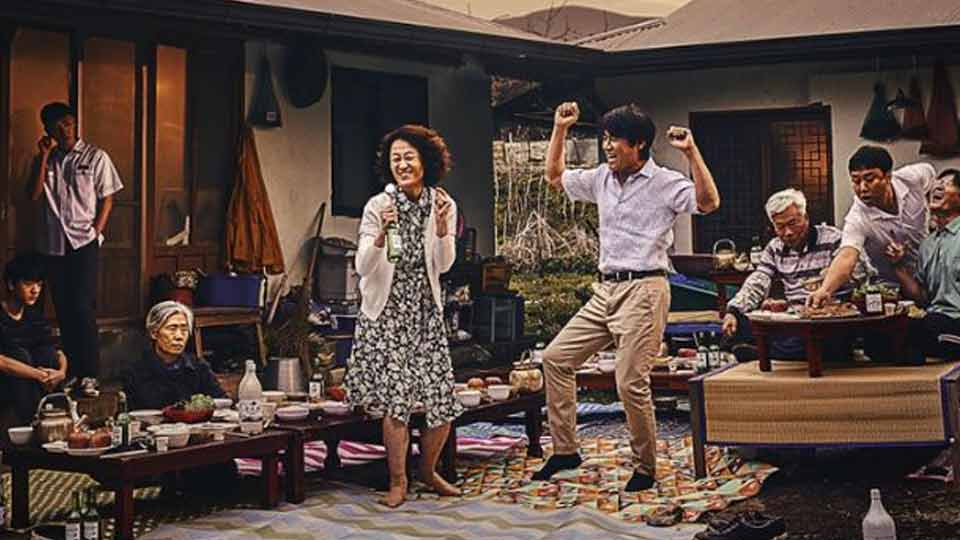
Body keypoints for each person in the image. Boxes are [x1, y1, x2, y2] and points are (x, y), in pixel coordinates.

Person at [534, 102, 720, 491]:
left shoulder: (664, 182)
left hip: (645, 289)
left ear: (638, 145)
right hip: (606, 289)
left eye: (615, 139)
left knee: (629, 381)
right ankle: (565, 450)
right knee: (555, 359)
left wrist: (691, 152)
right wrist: (560, 128)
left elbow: (708, 203)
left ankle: (645, 466)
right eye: (605, 138)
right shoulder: (601, 177)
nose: (608, 146)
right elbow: (554, 177)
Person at [344, 124, 463, 507]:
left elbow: (444, 265)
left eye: (409, 157)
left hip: (426, 311)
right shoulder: (378, 205)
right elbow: (363, 267)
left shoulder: (442, 203)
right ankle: (398, 482)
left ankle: (428, 471)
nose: (402, 165)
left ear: (426, 161)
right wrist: (380, 235)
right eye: (396, 158)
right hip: (388, 312)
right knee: (398, 400)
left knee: (441, 396)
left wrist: (443, 230)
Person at [29, 102, 124, 380]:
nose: (65, 129)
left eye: (68, 123)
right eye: (58, 125)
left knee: (82, 308)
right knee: (63, 309)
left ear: (75, 123)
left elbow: (108, 198)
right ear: (48, 130)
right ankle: (71, 372)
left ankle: (90, 374)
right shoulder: (47, 159)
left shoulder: (95, 156)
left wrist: (96, 231)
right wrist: (44, 156)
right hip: (53, 244)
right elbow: (33, 195)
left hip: (83, 242)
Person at [722, 189, 874, 360]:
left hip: (831, 321)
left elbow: (863, 274)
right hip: (793, 320)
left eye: (793, 223)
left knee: (820, 342)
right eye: (780, 226)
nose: (788, 232)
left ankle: (766, 353)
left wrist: (830, 279)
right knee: (739, 323)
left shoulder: (834, 239)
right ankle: (775, 351)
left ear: (806, 218)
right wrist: (733, 310)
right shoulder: (774, 248)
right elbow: (758, 280)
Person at [808, 145, 935, 308]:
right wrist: (825, 290)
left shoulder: (913, 177)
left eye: (869, 179)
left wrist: (935, 215)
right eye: (856, 181)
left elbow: (937, 183)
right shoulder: (857, 217)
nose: (862, 188)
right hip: (894, 288)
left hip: (933, 270)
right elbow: (847, 256)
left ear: (888, 176)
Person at [886, 169, 960, 361]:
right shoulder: (928, 244)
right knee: (883, 332)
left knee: (920, 330)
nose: (937, 187)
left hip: (954, 320)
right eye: (937, 183)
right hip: (935, 318)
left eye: (947, 184)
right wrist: (898, 266)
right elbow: (922, 297)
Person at [0, 253, 68, 425]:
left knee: (47, 354)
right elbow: (2, 362)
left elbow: (59, 353)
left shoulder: (34, 316)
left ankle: (55, 420)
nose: (35, 290)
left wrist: (61, 373)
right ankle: (31, 422)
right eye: (28, 284)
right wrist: (39, 375)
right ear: (11, 284)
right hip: (7, 382)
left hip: (35, 379)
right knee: (20, 355)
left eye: (39, 284)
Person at [123, 301, 226, 411]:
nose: (179, 336)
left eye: (184, 329)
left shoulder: (199, 367)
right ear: (154, 333)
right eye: (172, 328)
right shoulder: (136, 371)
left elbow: (221, 402)